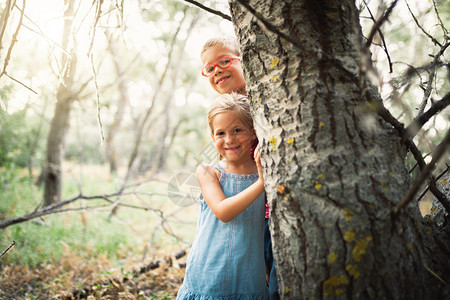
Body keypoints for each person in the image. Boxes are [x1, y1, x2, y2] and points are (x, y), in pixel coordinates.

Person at [200, 37, 280, 300]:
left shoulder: (265, 97)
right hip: (251, 212)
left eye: (224, 61)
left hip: (273, 208)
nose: (217, 70)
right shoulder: (223, 113)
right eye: (209, 68)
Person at [176, 93, 268, 299]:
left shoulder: (263, 169)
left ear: (253, 132)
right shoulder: (209, 172)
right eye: (220, 133)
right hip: (209, 272)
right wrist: (262, 183)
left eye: (237, 130)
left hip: (248, 275)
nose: (229, 140)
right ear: (212, 137)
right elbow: (223, 211)